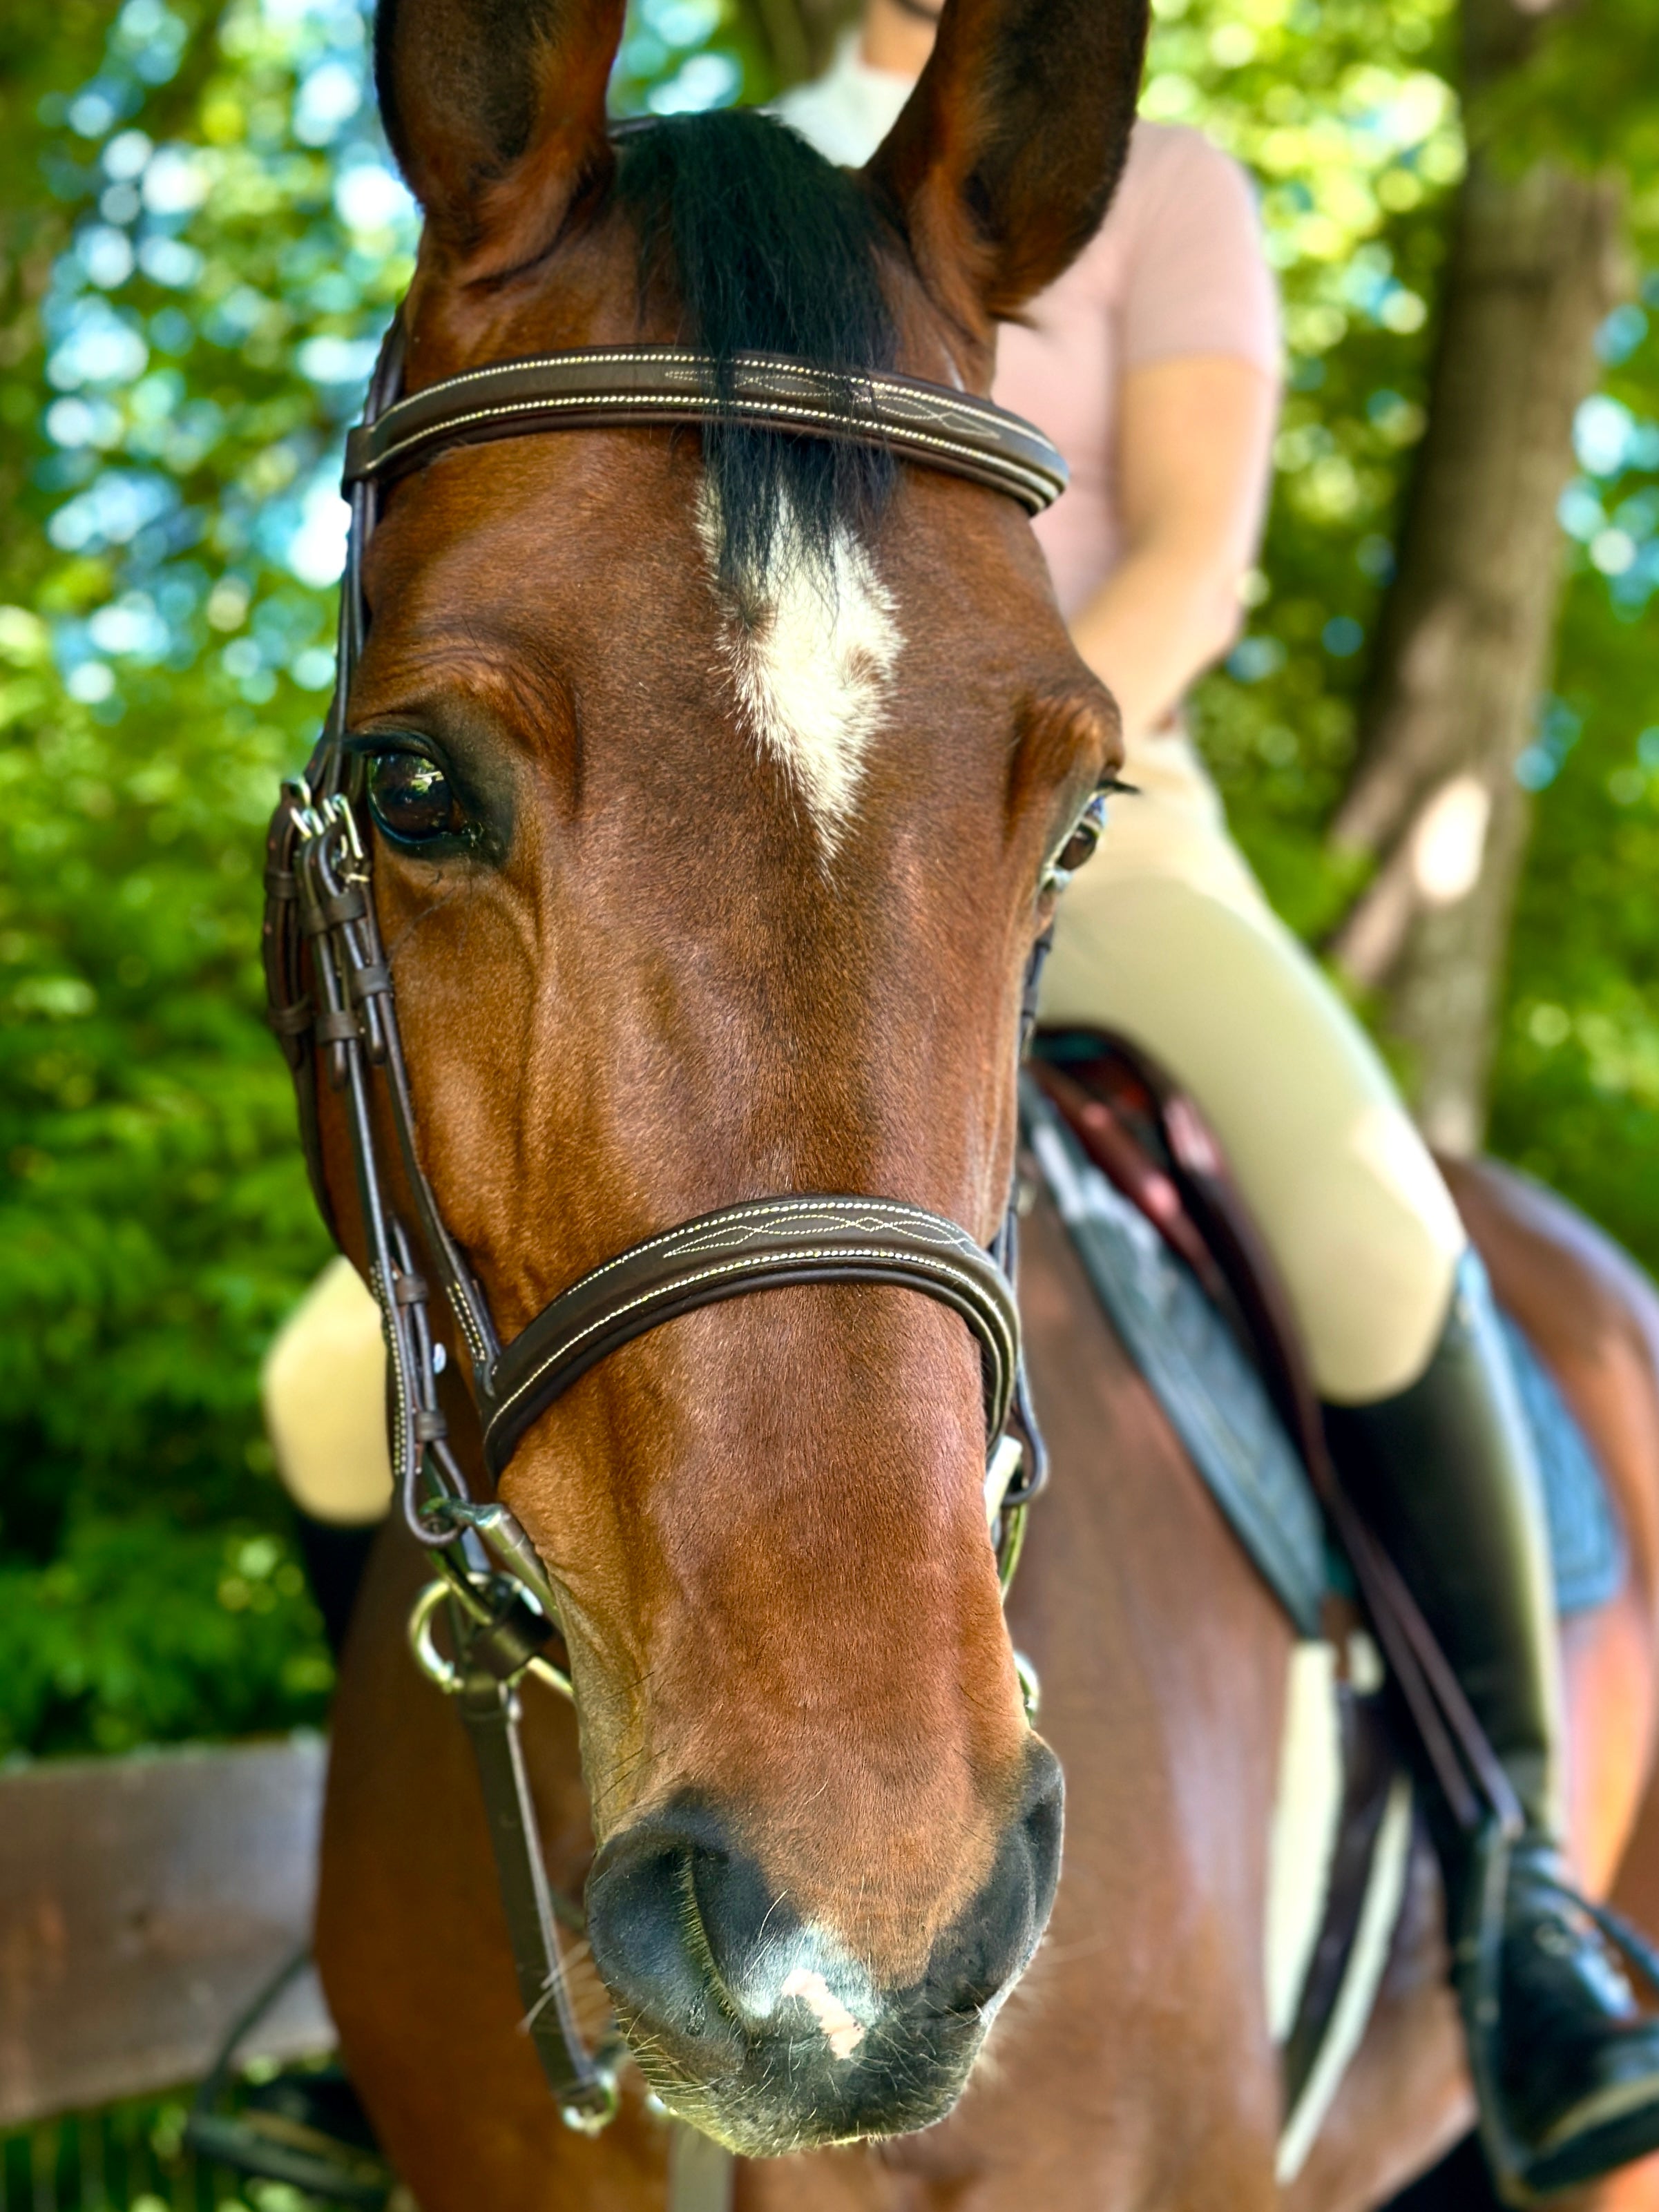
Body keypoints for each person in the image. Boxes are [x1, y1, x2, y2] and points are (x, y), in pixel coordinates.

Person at [260, 6, 1659, 2192]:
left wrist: (970, 760)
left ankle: (1520, 1906)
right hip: (732, 839)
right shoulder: (678, 184)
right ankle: (396, 1973)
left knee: (1377, 1232)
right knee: (321, 1381)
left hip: (1047, 795)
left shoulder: (1150, 192)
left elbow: (1190, 546)